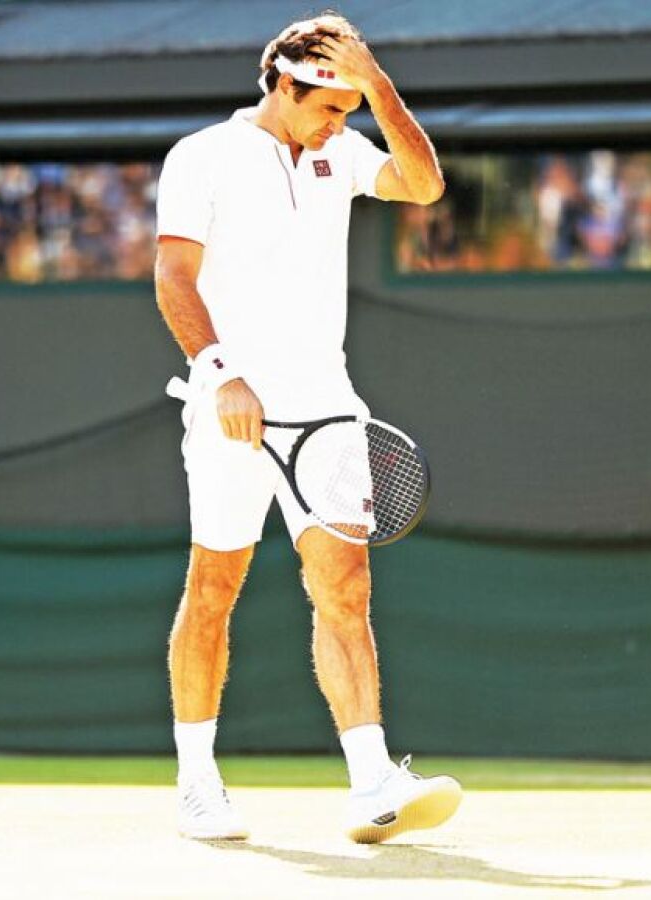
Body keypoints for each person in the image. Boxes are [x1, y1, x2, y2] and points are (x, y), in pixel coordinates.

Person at [154, 11, 461, 844]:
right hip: (228, 410)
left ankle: (370, 783)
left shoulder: (345, 150)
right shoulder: (202, 157)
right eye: (330, 105)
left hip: (327, 405)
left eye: (351, 108)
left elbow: (423, 184)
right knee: (213, 590)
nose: (341, 122)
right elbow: (174, 278)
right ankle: (197, 782)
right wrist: (223, 373)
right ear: (283, 86)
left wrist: (378, 85)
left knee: (345, 588)